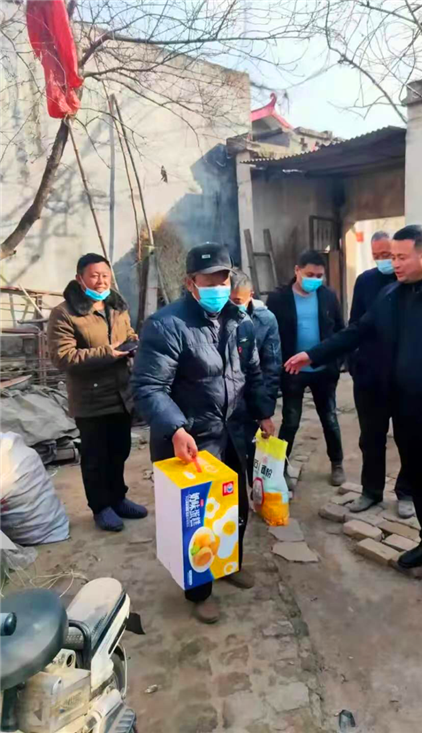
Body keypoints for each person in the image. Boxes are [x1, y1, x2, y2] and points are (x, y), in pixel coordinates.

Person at [285, 226, 422, 616]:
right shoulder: (391, 295)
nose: (393, 264)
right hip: (405, 407)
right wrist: (313, 355)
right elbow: (357, 331)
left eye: (400, 257)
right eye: (391, 257)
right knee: (419, 482)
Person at [131, 243, 275, 625]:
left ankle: (230, 563)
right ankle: (200, 591)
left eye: (223, 279)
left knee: (236, 506)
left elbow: (254, 373)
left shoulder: (242, 322)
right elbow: (148, 387)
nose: (217, 287)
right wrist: (175, 428)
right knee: (198, 522)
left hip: (234, 433)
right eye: (208, 280)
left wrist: (264, 412)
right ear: (190, 283)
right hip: (192, 439)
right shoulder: (166, 325)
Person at [48, 253, 147, 532]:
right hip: (90, 399)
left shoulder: (116, 305)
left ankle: (118, 498)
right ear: (80, 279)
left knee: (119, 451)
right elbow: (63, 357)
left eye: (105, 275)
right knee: (95, 457)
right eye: (94, 275)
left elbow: (128, 333)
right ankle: (101, 507)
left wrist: (133, 343)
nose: (101, 281)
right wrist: (108, 353)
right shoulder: (65, 313)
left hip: (121, 394)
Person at [348, 231, 414, 518]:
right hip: (370, 377)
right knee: (371, 439)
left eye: (388, 255)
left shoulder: (409, 282)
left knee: (408, 438)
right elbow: (353, 325)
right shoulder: (365, 281)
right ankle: (371, 491)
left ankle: (407, 492)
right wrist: (354, 364)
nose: (385, 261)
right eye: (378, 256)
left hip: (404, 377)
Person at [267, 250, 346, 487]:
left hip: (323, 370)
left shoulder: (328, 296)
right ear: (297, 271)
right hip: (292, 370)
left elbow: (340, 331)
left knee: (329, 418)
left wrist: (336, 362)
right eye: (310, 274)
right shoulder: (278, 299)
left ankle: (337, 463)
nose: (315, 279)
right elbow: (270, 334)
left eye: (319, 276)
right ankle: (280, 466)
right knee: (291, 420)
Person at [230, 270, 282, 484]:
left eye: (237, 301)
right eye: (228, 300)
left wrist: (264, 412)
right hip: (225, 404)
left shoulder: (265, 320)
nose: (232, 306)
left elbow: (271, 367)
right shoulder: (216, 318)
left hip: (253, 399)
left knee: (256, 455)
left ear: (250, 295)